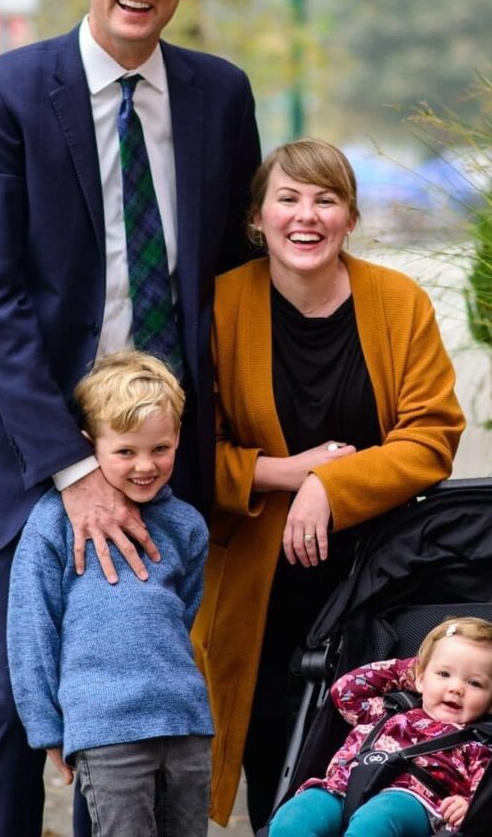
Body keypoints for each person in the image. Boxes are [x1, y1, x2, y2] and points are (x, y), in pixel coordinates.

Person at [0, 0, 261, 837]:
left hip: (158, 457)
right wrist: (74, 470)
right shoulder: (0, 96)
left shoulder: (218, 95)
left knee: (130, 716)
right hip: (23, 451)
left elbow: (236, 277)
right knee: (10, 708)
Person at [192, 139, 467, 829]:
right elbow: (192, 449)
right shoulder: (221, 306)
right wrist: (291, 473)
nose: (305, 216)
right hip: (263, 582)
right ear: (257, 219)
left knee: (383, 759)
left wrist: (332, 486)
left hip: (380, 577)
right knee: (276, 768)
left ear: (349, 217)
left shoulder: (397, 302)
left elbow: (432, 436)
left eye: (326, 199)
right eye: (287, 199)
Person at [7, 351, 213, 837]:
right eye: (125, 452)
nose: (146, 465)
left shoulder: (187, 526)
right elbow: (32, 628)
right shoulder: (54, 521)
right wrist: (47, 728)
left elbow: (183, 613)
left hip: (185, 725)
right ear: (89, 445)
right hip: (107, 731)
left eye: (160, 448)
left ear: (177, 438)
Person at [268, 617, 492, 836]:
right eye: (443, 674)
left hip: (411, 800)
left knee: (375, 821)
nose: (456, 688)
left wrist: (467, 805)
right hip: (341, 788)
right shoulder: (386, 711)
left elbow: (487, 792)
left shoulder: (476, 743)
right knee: (292, 818)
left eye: (474, 683)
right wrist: (409, 671)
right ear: (419, 678)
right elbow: (344, 692)